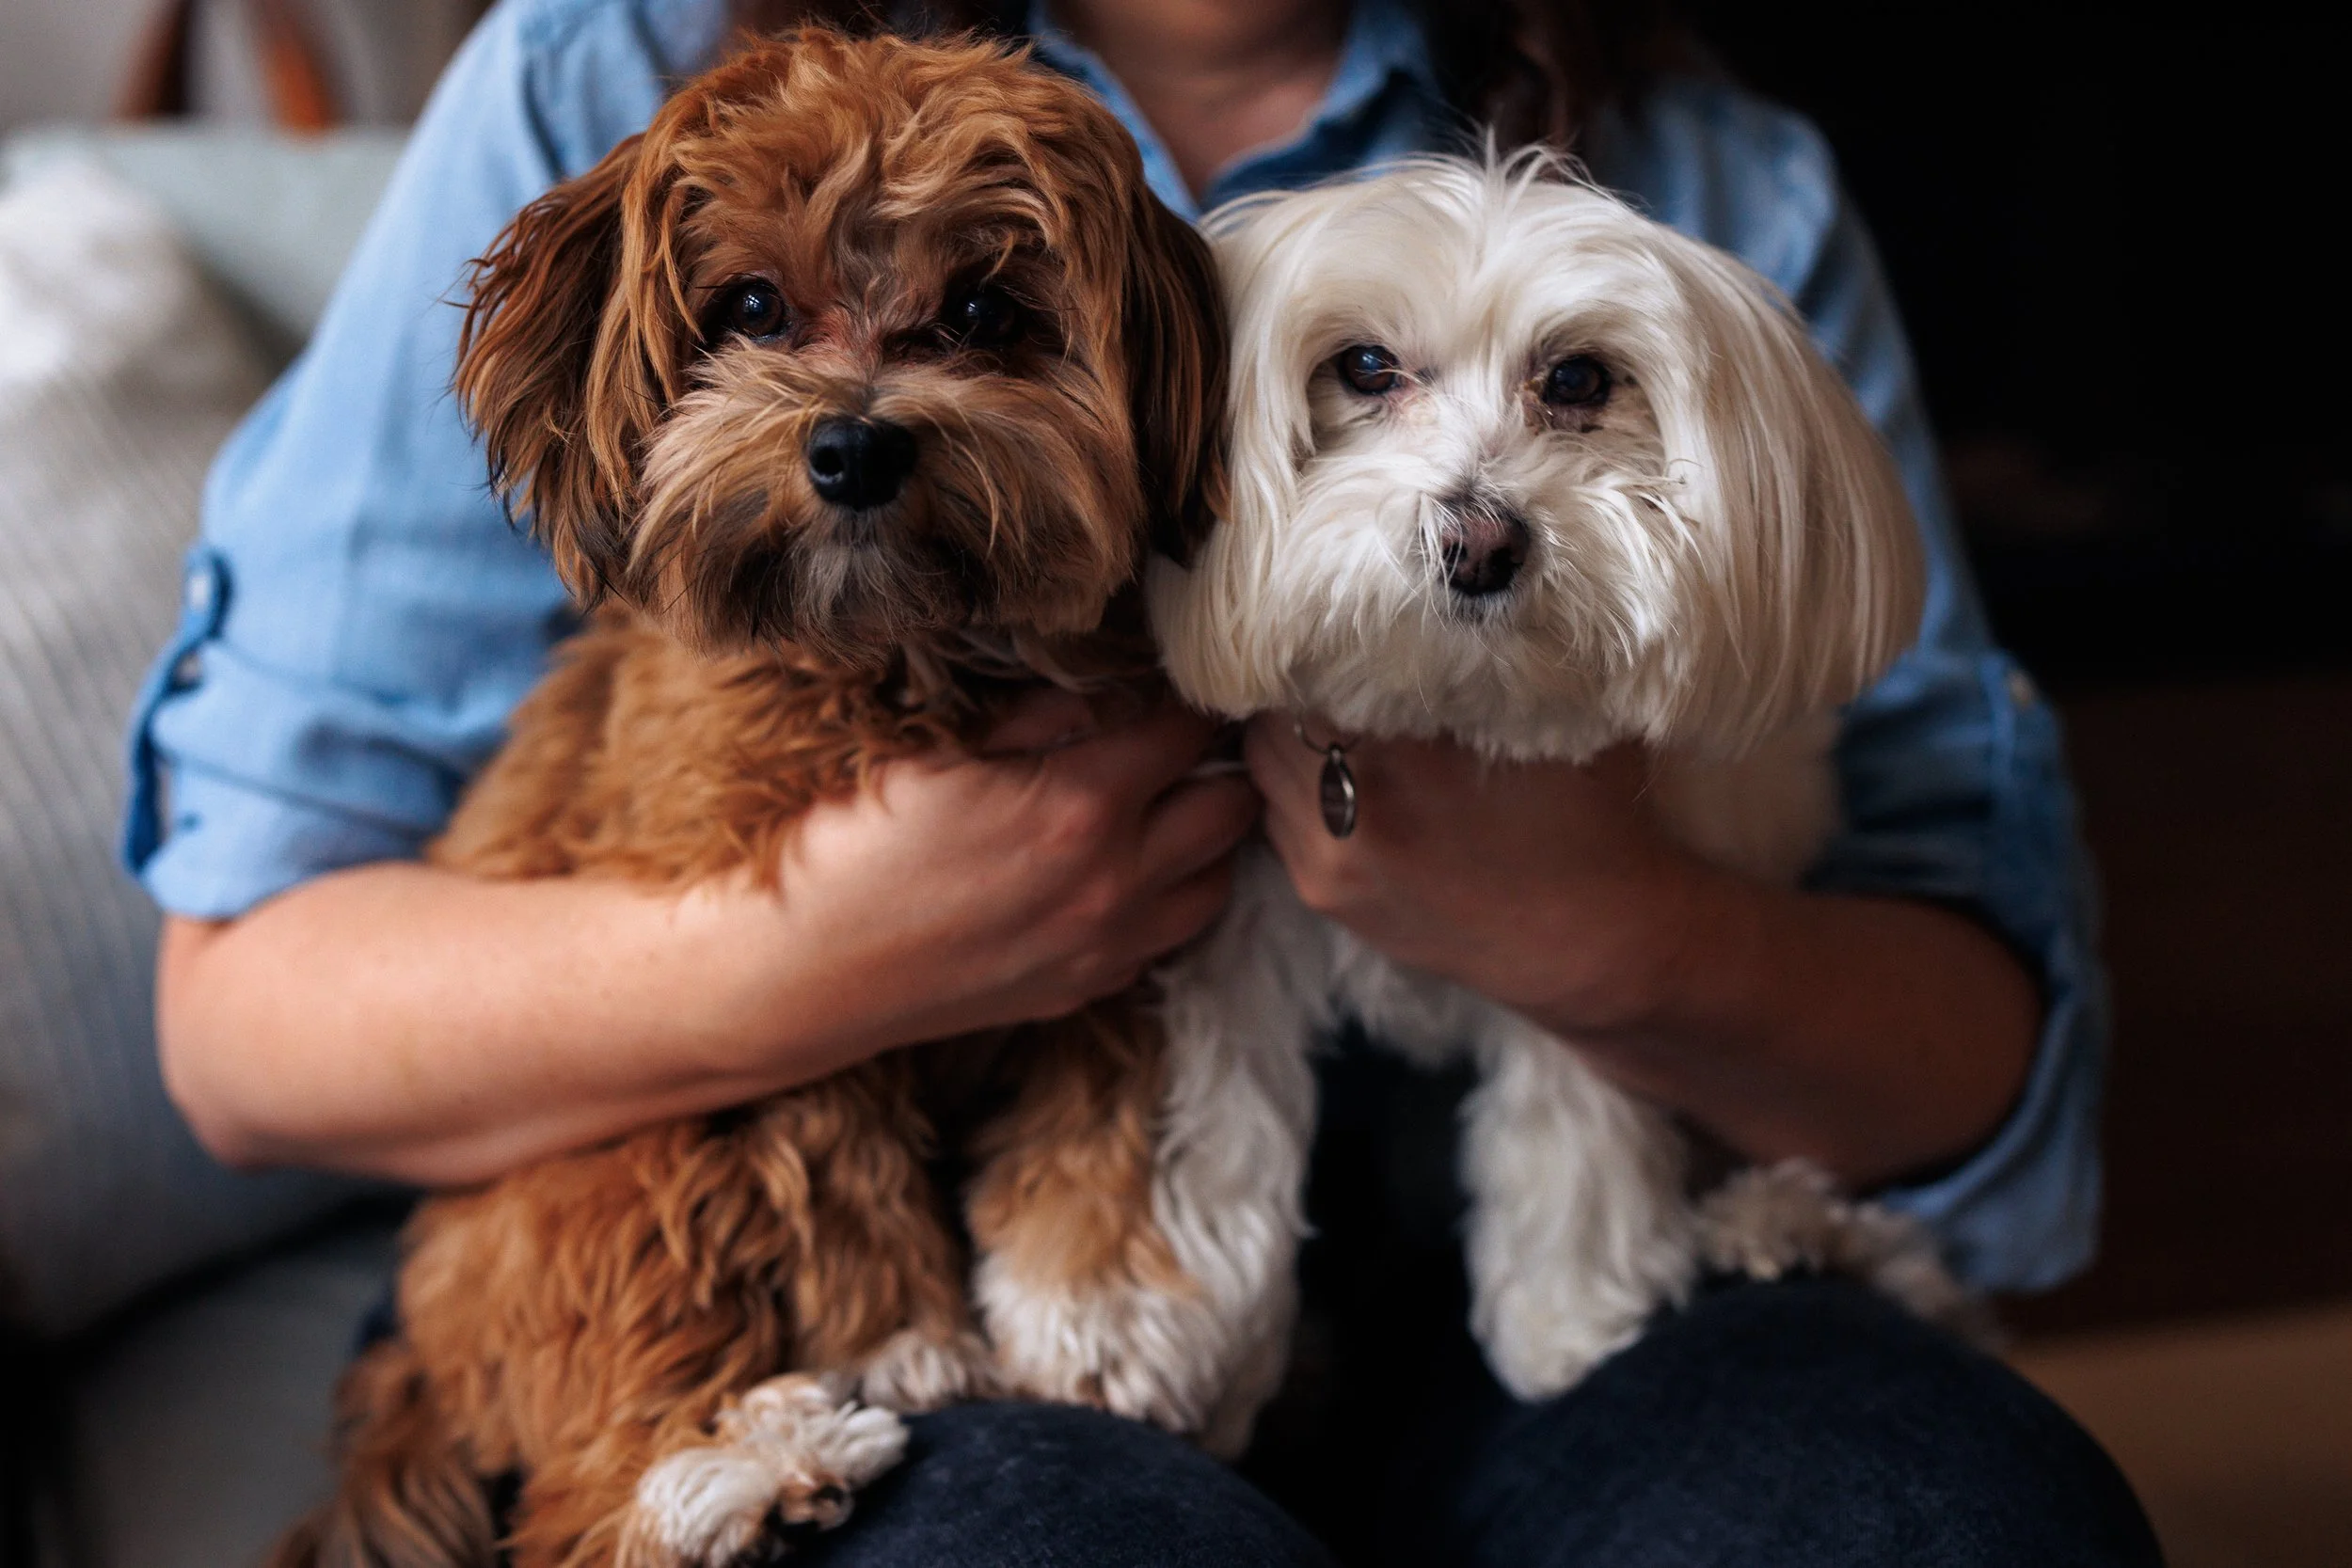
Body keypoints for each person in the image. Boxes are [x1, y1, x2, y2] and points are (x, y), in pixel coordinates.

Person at [125, 0, 2159, 1561]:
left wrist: (1605, 925)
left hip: (1514, 1256)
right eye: (760, 319)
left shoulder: (1718, 180)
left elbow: (1992, 1094)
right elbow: (241, 1031)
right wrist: (829, 947)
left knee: (1923, 1508)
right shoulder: (622, 71)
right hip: (898, 1274)